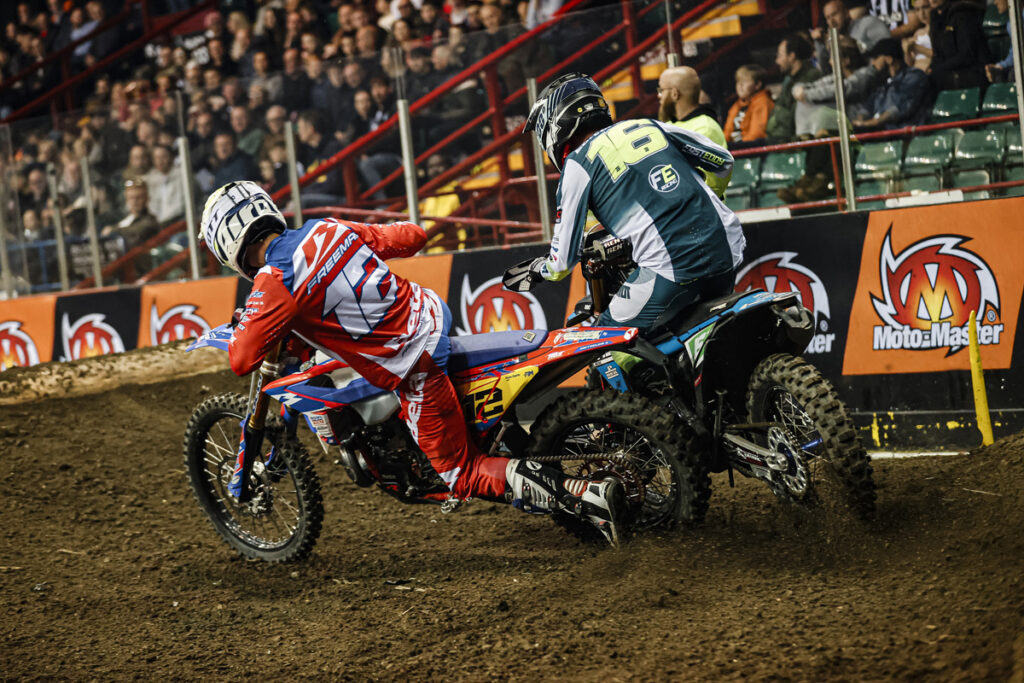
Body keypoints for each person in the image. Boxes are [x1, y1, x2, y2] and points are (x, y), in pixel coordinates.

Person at [199, 180, 625, 544]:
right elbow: (413, 236)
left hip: (414, 365)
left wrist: (250, 320)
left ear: (226, 244)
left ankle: (585, 495)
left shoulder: (274, 282)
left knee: (462, 474)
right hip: (434, 320)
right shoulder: (326, 228)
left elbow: (241, 358)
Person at [512, 73, 744, 334]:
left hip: (671, 265)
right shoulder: (650, 125)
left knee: (605, 339)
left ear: (554, 124)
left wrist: (539, 270)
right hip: (726, 248)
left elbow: (562, 262)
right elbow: (723, 160)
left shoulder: (578, 163)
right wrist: (711, 194)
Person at [656, 66, 730, 198]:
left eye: (661, 90)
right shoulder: (668, 125)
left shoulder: (705, 128)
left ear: (674, 94)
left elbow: (706, 184)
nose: (658, 96)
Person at [851, 37, 932, 130]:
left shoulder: (914, 76)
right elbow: (868, 107)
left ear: (889, 59)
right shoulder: (882, 82)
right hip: (881, 134)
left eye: (876, 58)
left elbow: (900, 108)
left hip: (905, 133)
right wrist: (860, 122)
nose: (873, 63)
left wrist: (874, 122)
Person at [765, 34, 822, 142]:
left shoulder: (812, 77)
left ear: (791, 56)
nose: (777, 61)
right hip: (782, 141)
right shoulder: (789, 81)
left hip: (796, 143)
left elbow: (793, 117)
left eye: (780, 56)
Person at [723, 65, 774, 146]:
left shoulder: (763, 102)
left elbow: (756, 135)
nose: (740, 85)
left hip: (750, 150)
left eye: (745, 81)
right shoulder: (736, 106)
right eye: (738, 81)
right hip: (735, 149)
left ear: (757, 85)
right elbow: (726, 133)